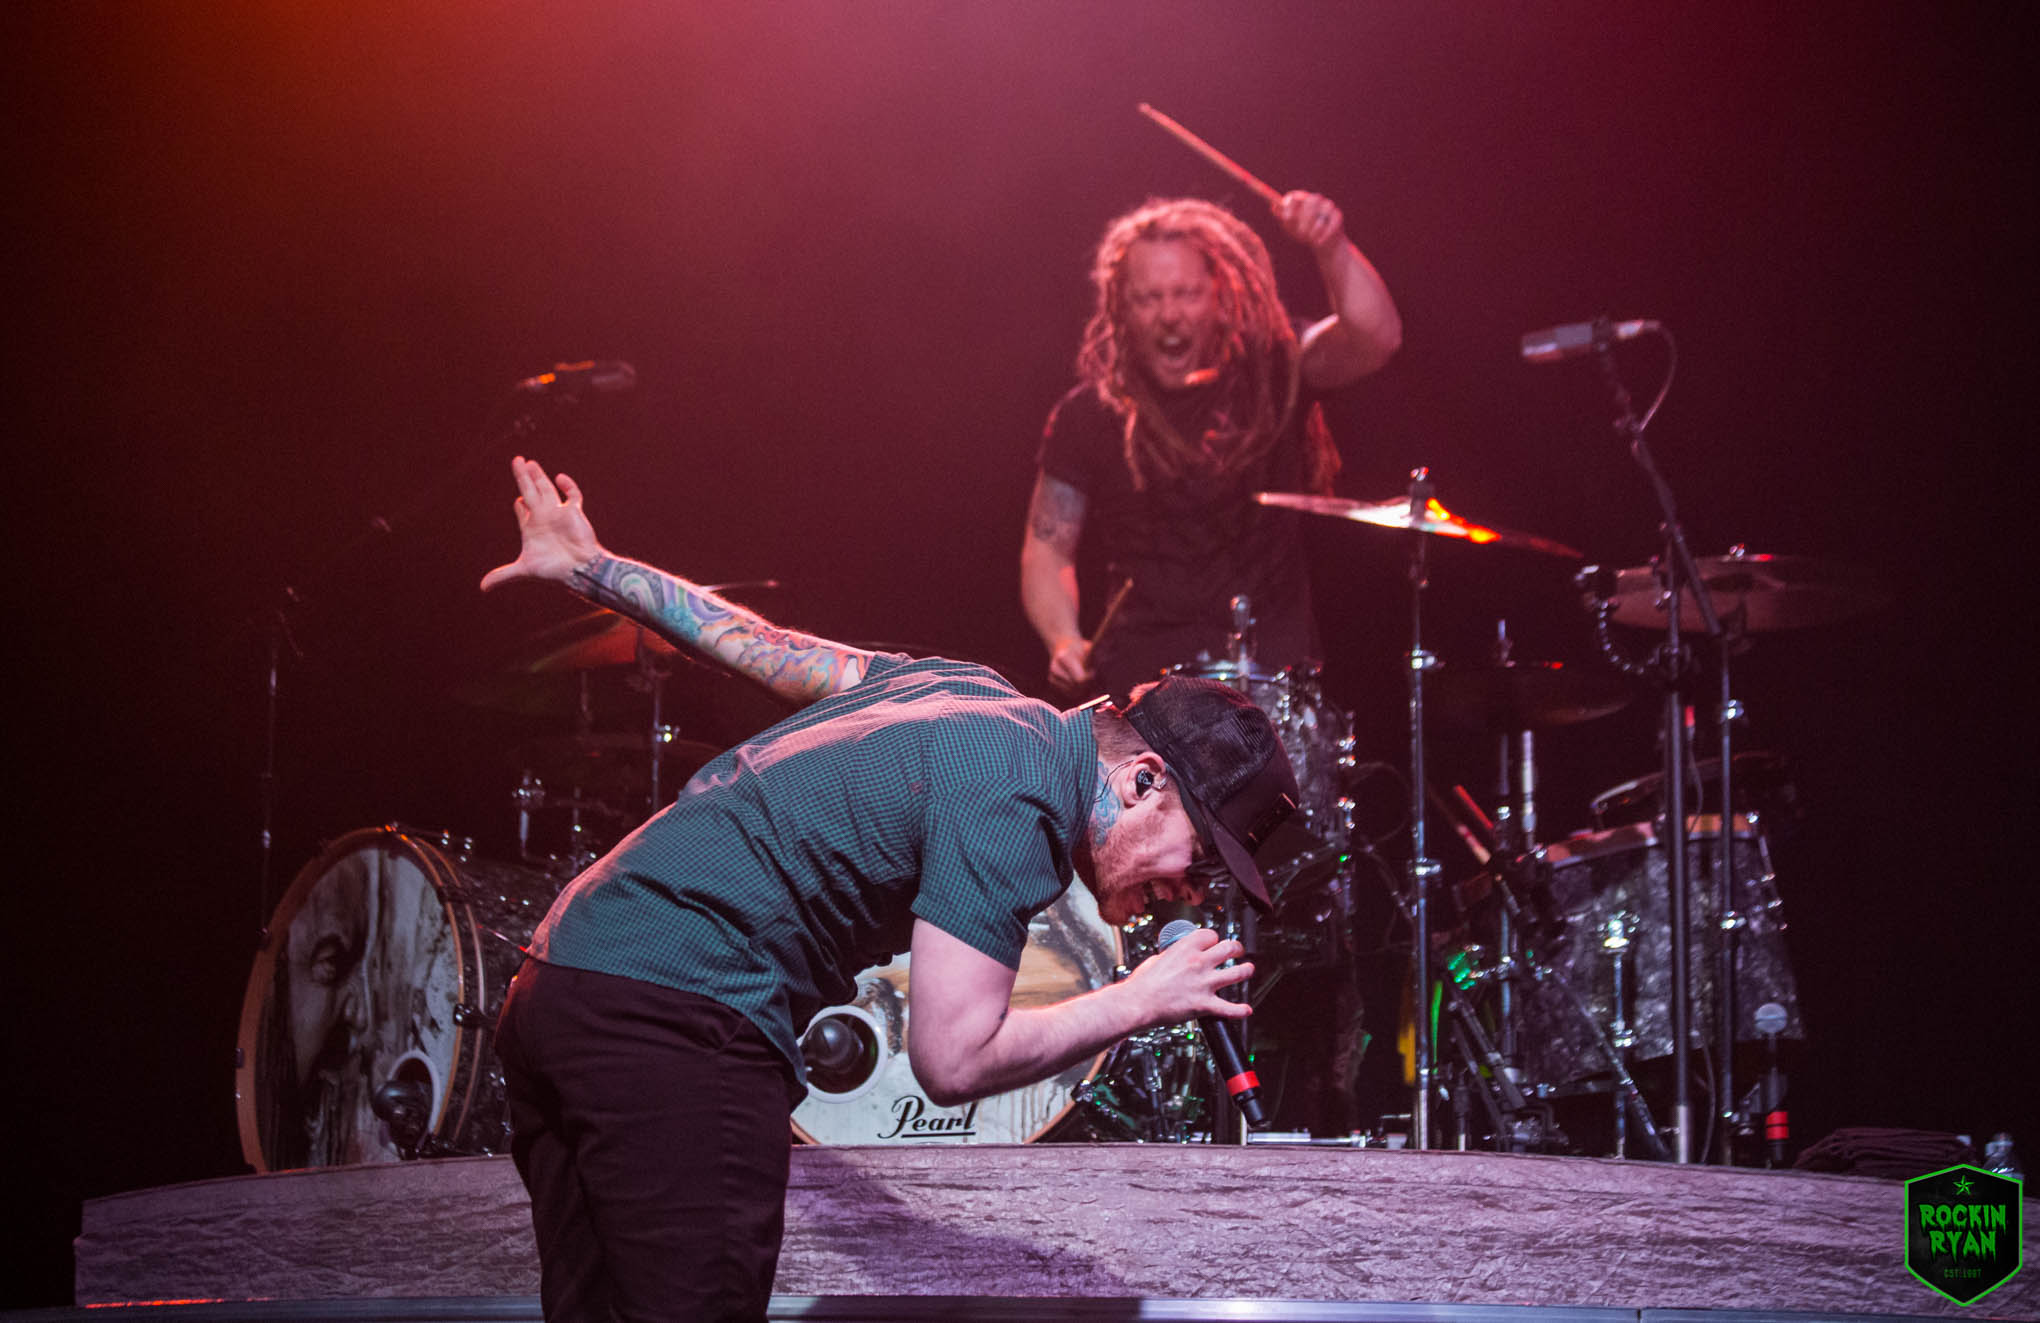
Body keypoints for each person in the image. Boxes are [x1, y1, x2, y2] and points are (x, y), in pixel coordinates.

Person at [479, 456, 1305, 1322]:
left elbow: (761, 646)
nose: (1186, 887)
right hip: (675, 1009)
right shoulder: (1022, 800)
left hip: (562, 979)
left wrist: (592, 567)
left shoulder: (964, 691)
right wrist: (1139, 998)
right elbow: (953, 1059)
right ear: (1142, 780)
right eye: (1198, 855)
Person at [1020, 190, 1402, 700]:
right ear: (1120, 306)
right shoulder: (1088, 414)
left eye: (1186, 294)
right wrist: (1063, 639)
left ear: (1219, 294)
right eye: (1149, 298)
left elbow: (1375, 339)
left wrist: (1330, 245)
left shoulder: (1273, 372)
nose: (1169, 314)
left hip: (1271, 679)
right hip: (1142, 688)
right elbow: (1047, 547)